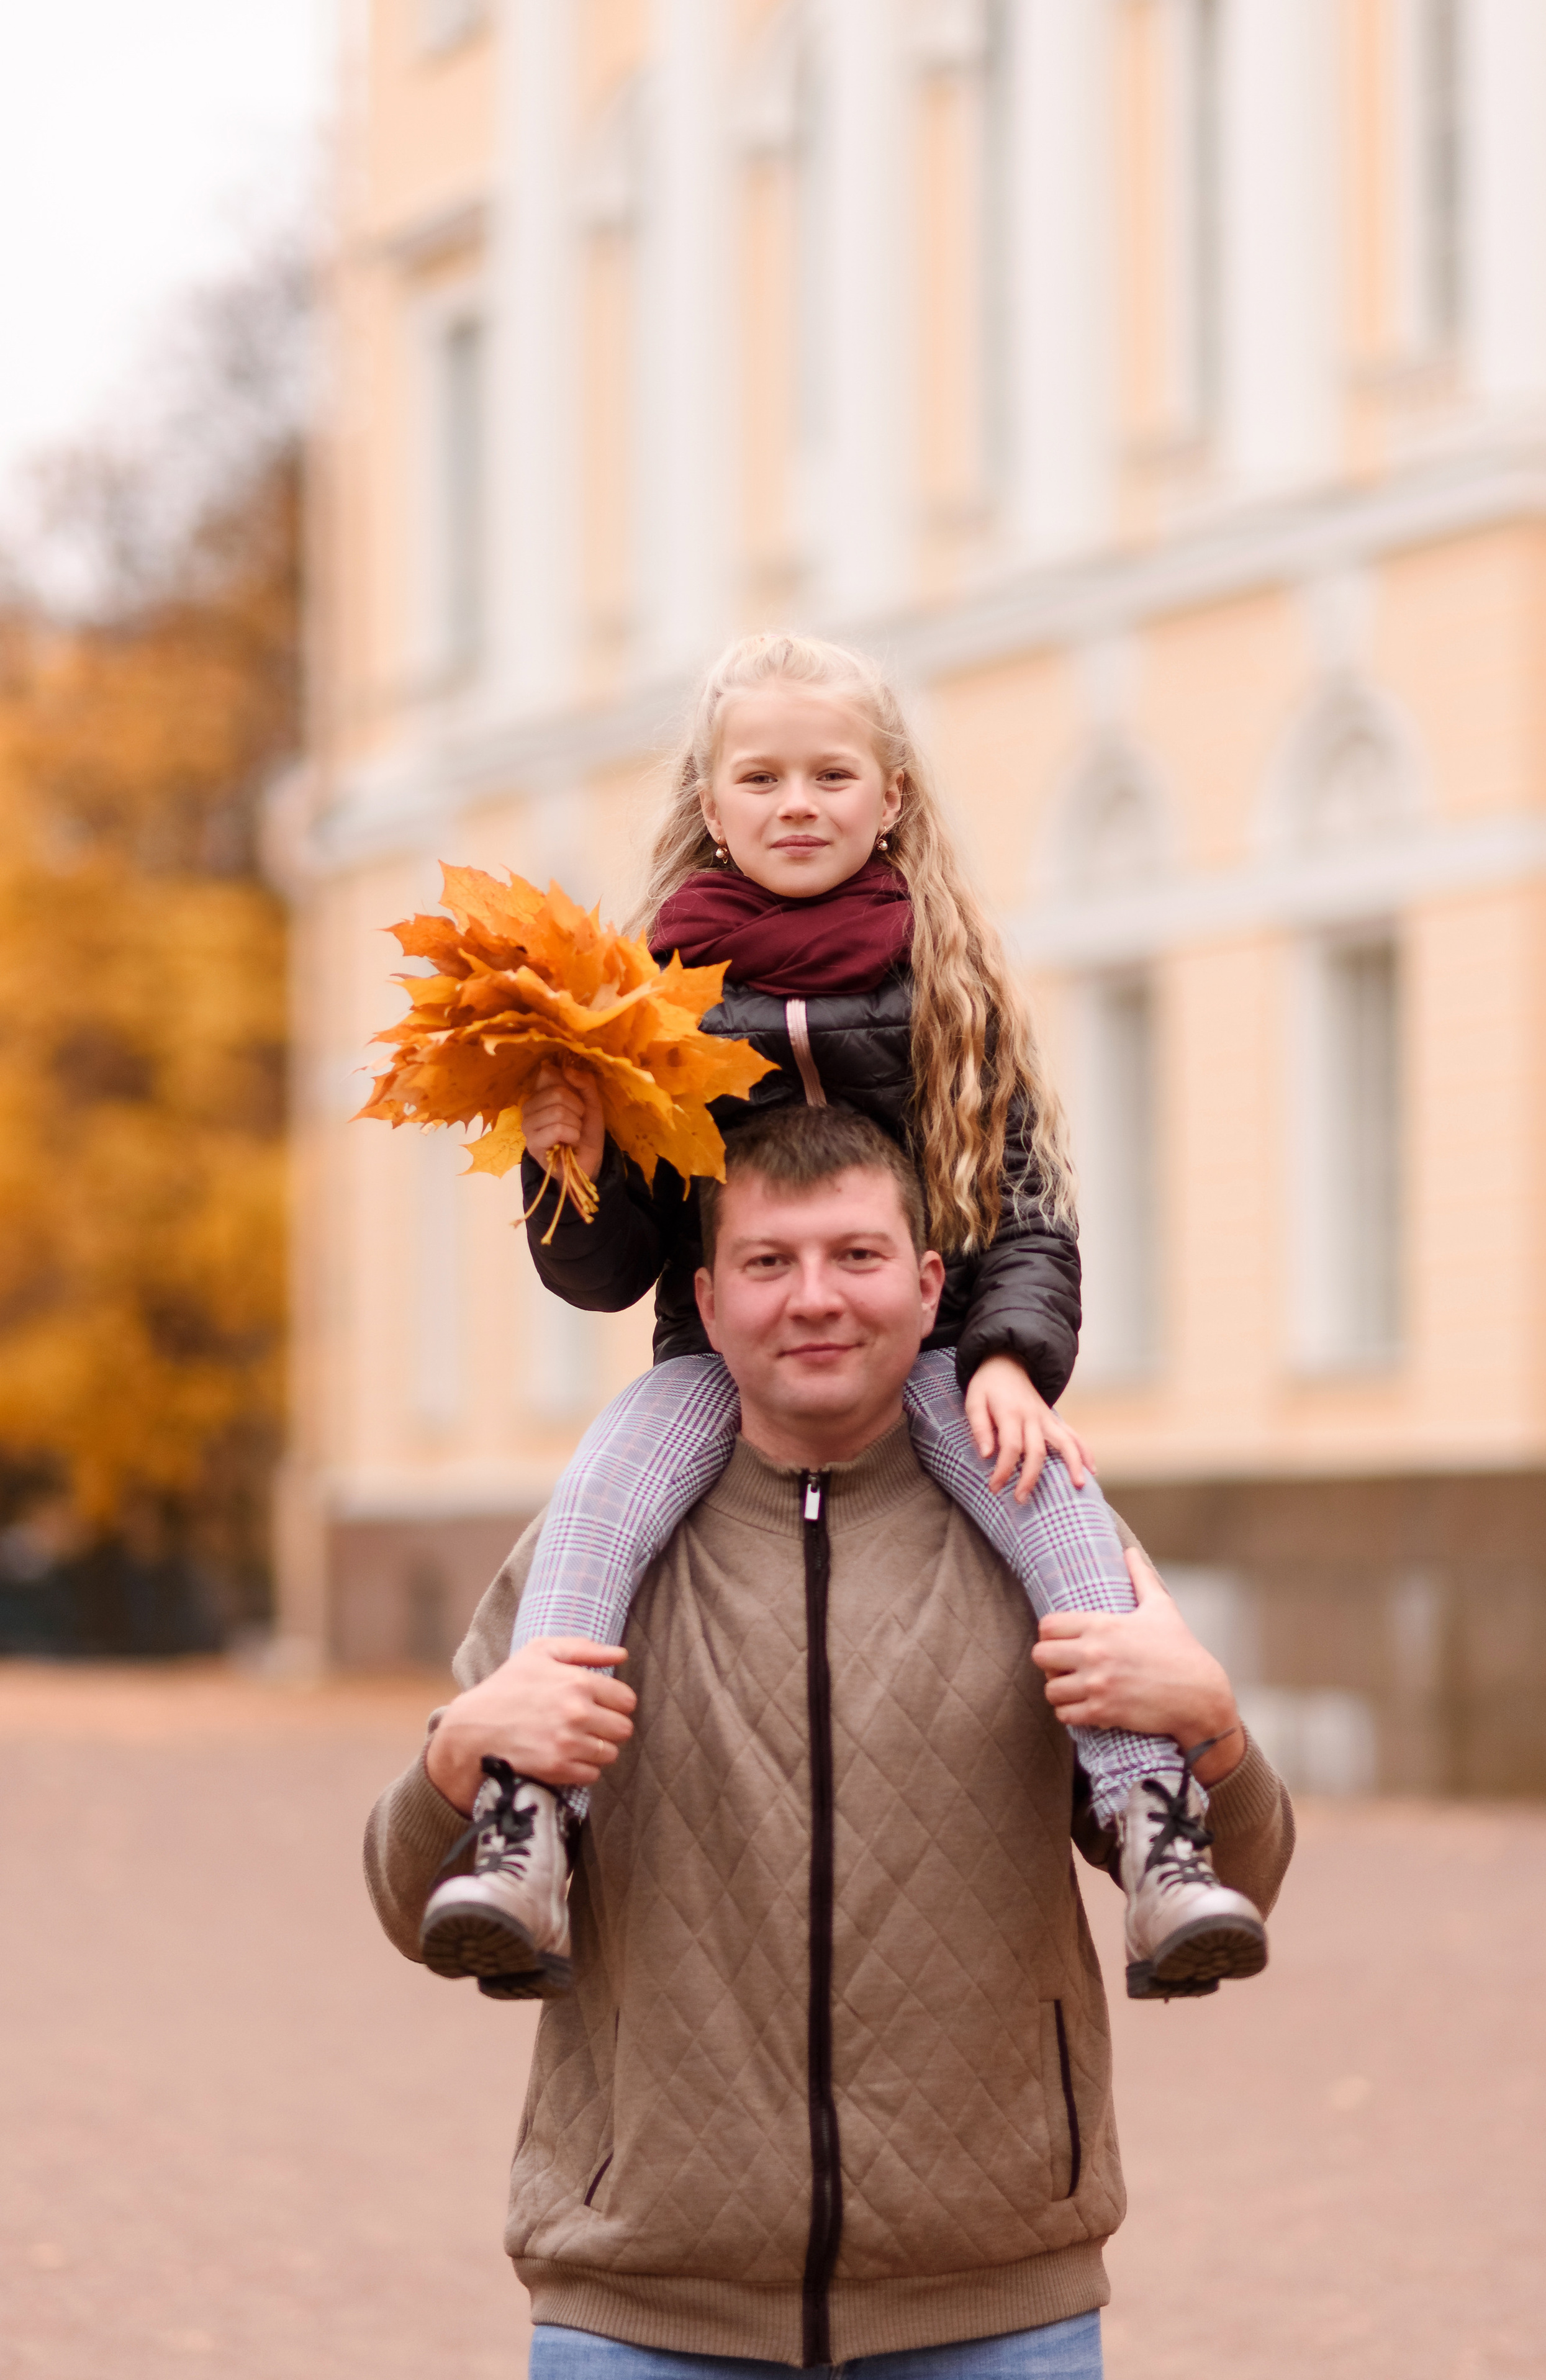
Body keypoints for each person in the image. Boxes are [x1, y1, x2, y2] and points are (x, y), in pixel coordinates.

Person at [365, 1110, 1295, 2380]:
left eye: (855, 1257)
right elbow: (405, 1889)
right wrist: (453, 1754)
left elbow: (1240, 1879)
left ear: (926, 1290)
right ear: (706, 1294)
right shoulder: (594, 1556)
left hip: (993, 2311)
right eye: (768, 1262)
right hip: (639, 2313)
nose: (814, 1301)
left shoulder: (1042, 1537)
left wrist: (1217, 1734)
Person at [420, 634, 1268, 2007]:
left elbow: (1021, 1194)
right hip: (714, 1355)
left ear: (891, 801)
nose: (795, 802)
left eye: (830, 773)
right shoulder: (638, 993)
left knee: (1051, 1502)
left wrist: (1006, 1354)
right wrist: (560, 1155)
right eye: (759, 776)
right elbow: (606, 1271)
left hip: (934, 1346)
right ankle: (526, 1825)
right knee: (595, 1503)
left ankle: (1152, 1823)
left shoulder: (944, 975)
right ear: (709, 801)